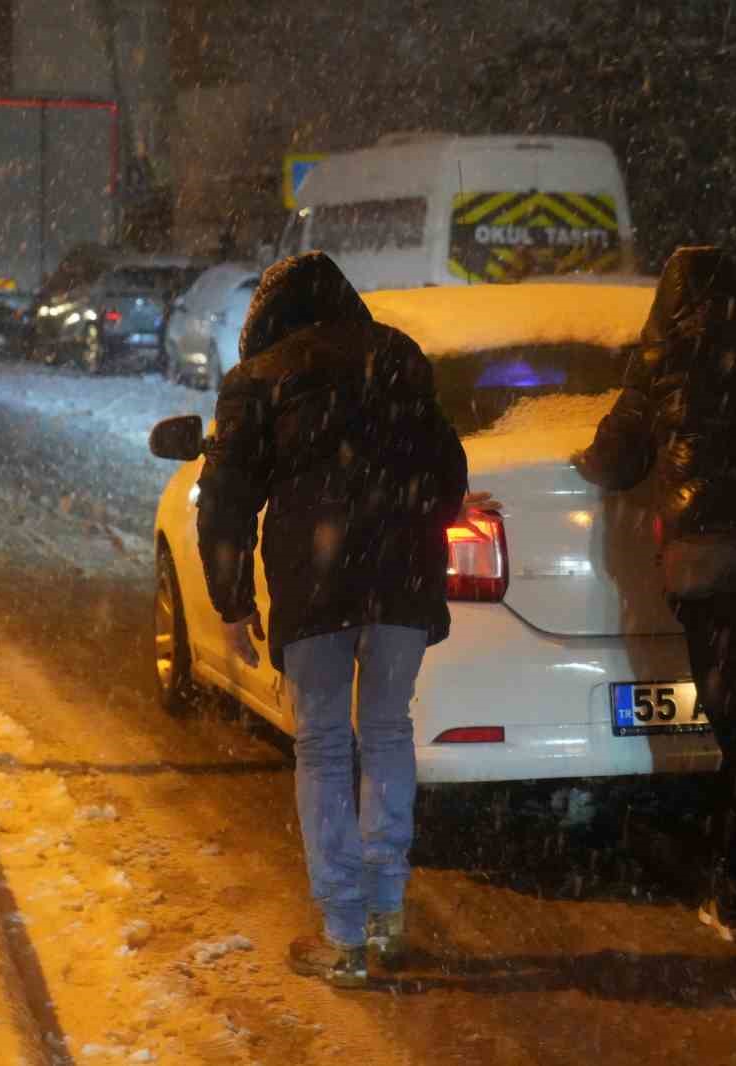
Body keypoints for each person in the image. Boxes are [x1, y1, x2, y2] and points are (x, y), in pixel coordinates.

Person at [195, 251, 469, 988]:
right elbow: (449, 473)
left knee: (321, 747)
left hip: (313, 589)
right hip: (403, 583)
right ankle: (386, 915)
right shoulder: (398, 358)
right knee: (386, 732)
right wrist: (407, 532)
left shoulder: (258, 380)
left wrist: (232, 598)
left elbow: (224, 498)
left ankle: (344, 934)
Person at [573, 245, 736, 1001]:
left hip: (711, 568)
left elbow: (615, 459)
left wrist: (585, 459)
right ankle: (732, 894)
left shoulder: (661, 364)